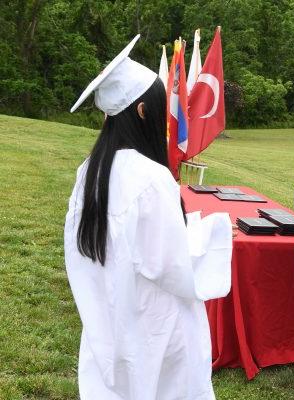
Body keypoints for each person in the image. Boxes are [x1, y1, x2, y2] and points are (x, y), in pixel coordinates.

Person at [64, 34, 233, 400]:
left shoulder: (89, 171)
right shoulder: (149, 177)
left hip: (107, 314)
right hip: (154, 322)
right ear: (143, 111)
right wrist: (215, 232)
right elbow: (172, 266)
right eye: (160, 109)